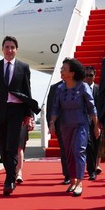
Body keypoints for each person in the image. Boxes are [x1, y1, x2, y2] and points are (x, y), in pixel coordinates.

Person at [0, 36, 37, 196]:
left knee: (12, 146)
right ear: (2, 49)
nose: (10, 50)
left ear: (16, 49)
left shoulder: (23, 67)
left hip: (17, 111)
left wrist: (29, 115)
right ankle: (10, 173)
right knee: (4, 146)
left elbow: (28, 92)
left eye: (13, 47)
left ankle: (10, 179)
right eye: (7, 47)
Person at [49, 57, 100, 196]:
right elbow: (55, 108)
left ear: (72, 73)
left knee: (79, 151)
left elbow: (92, 107)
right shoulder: (60, 88)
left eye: (64, 69)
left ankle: (79, 182)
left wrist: (96, 126)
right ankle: (72, 180)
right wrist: (52, 122)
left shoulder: (83, 87)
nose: (61, 71)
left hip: (81, 124)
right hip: (65, 125)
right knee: (69, 154)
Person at [46, 80, 71, 185]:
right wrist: (50, 123)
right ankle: (68, 175)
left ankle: (77, 173)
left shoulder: (79, 85)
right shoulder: (54, 87)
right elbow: (50, 108)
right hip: (60, 124)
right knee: (64, 150)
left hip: (77, 122)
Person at [84, 66, 101, 179]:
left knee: (97, 145)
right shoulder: (80, 89)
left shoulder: (99, 89)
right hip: (84, 121)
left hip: (97, 121)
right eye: (87, 75)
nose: (89, 77)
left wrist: (99, 123)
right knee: (88, 145)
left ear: (94, 76)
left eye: (91, 75)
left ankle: (96, 165)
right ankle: (92, 170)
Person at [16, 117, 34, 183]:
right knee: (7, 148)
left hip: (22, 120)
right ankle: (12, 170)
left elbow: (29, 106)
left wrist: (31, 120)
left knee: (19, 147)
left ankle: (19, 173)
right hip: (4, 119)